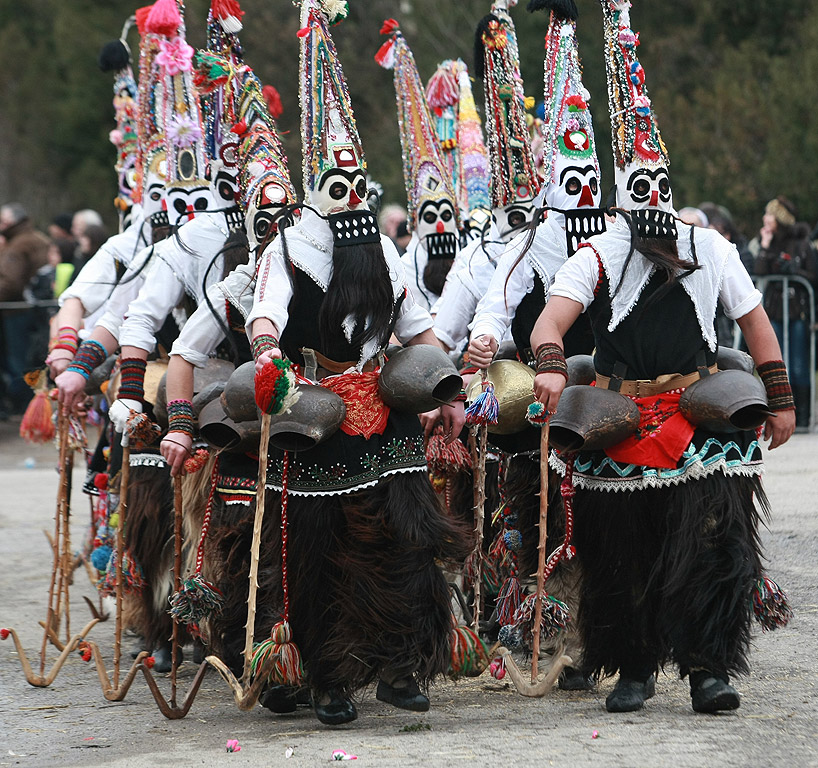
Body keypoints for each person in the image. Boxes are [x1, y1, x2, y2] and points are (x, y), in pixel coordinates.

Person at [528, 0, 795, 716]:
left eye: (658, 187)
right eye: (638, 188)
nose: (650, 198)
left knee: (712, 544)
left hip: (700, 414)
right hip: (620, 414)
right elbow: (552, 320)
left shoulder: (709, 246)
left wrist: (780, 398)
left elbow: (755, 321)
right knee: (620, 554)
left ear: (671, 186)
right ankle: (635, 666)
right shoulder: (601, 251)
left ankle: (708, 667)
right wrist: (551, 362)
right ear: (622, 193)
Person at [245, 0, 468, 726]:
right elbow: (266, 313)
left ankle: (404, 662)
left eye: (352, 184)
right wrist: (269, 354)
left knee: (407, 537)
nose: (345, 197)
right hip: (318, 415)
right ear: (318, 189)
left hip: (387, 409)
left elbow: (418, 327)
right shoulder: (291, 248)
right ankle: (331, 673)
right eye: (333, 186)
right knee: (322, 549)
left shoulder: (381, 251)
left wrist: (445, 391)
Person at [378, 21, 461, 313]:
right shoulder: (401, 269)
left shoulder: (470, 258)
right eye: (430, 215)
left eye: (446, 214)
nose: (440, 225)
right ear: (414, 223)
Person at [749, 196, 817, 427]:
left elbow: (814, 276)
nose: (765, 219)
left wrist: (795, 272)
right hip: (774, 311)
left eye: (769, 214)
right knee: (778, 363)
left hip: (797, 312)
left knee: (799, 364)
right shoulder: (767, 241)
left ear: (779, 218)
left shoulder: (801, 243)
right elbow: (758, 271)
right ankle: (779, 413)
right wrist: (765, 246)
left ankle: (803, 418)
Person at [0, 202, 50, 414]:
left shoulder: (18, 246)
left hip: (16, 311)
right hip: (37, 309)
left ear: (11, 222)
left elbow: (9, 282)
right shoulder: (39, 238)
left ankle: (26, 406)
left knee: (18, 360)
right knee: (34, 359)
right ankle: (35, 402)